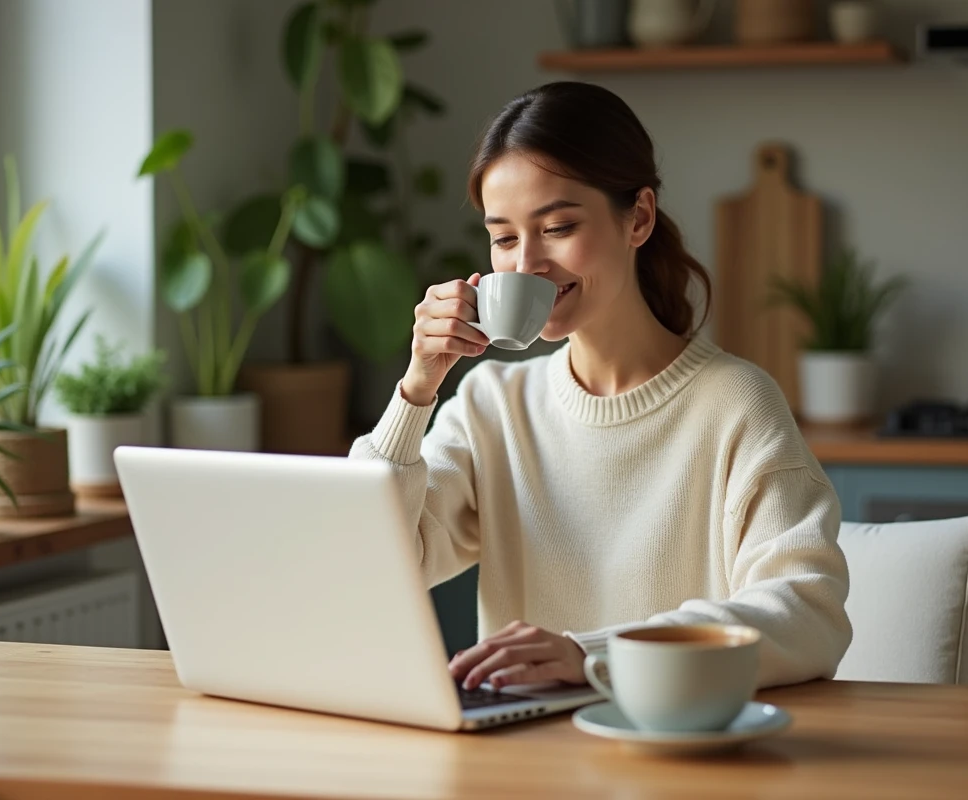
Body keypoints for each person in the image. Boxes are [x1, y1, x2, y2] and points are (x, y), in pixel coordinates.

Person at [348, 81, 851, 693]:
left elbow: (806, 616)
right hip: (520, 767)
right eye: (504, 238)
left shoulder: (736, 404)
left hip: (671, 755)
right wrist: (416, 390)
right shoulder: (492, 405)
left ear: (637, 217)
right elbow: (374, 562)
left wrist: (590, 655)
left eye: (557, 227)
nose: (526, 263)